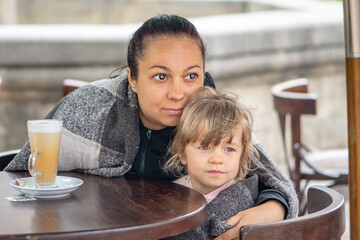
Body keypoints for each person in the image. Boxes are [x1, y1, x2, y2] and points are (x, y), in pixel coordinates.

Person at [5, 14, 298, 239]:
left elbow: (272, 179)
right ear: (132, 78)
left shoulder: (210, 117)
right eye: (161, 77)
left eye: (191, 76)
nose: (178, 93)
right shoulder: (90, 109)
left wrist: (273, 207)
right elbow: (20, 173)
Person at [163, 86, 260, 239]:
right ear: (182, 153)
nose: (217, 159)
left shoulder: (245, 201)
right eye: (205, 147)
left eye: (229, 149)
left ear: (241, 156)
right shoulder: (171, 195)